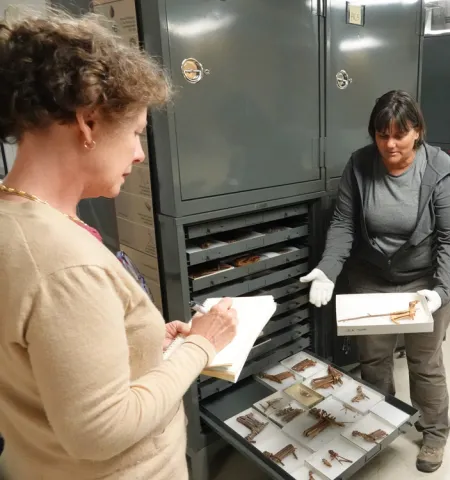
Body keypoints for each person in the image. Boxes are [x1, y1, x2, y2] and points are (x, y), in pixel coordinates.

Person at [0, 10, 237, 480]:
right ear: (88, 121)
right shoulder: (64, 266)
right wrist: (202, 346)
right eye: (134, 132)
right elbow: (100, 429)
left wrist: (145, 342)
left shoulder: (19, 219)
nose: (139, 153)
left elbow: (52, 361)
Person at [301, 90, 450, 472]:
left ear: (417, 131)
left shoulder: (441, 170)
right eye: (381, 135)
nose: (389, 144)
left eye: (399, 134)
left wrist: (442, 292)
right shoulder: (359, 165)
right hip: (371, 278)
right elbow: (343, 223)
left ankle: (434, 432)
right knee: (373, 360)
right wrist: (328, 268)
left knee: (424, 361)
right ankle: (381, 420)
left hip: (425, 282)